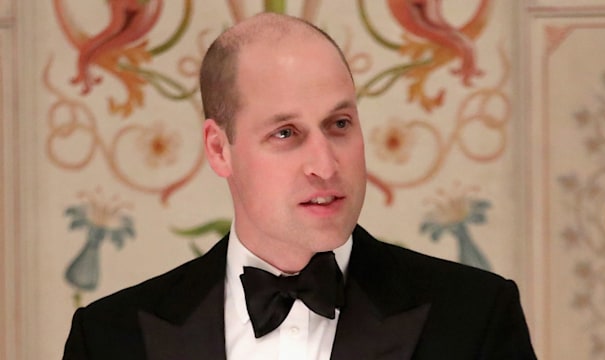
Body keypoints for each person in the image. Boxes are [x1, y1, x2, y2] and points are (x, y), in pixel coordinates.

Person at [63, 12, 537, 359]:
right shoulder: (108, 339)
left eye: (339, 124)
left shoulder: (475, 320)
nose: (326, 164)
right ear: (218, 149)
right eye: (285, 133)